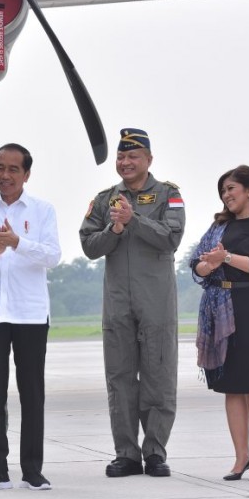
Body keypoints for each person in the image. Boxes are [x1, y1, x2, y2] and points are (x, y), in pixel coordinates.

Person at [79, 128, 185, 478]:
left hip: (155, 301)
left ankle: (154, 451)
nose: (125, 162)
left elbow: (171, 238)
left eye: (133, 156)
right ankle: (125, 453)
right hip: (117, 303)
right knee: (120, 377)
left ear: (149, 160)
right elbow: (89, 246)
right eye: (121, 157)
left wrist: (133, 220)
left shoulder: (168, 194)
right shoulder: (105, 198)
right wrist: (115, 230)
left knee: (158, 374)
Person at [0, 144, 61, 492]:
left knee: (32, 392)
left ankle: (33, 470)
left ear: (26, 174)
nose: (5, 175)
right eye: (0, 167)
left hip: (31, 312)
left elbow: (52, 256)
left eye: (13, 169)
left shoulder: (42, 210)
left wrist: (18, 242)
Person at [190, 165, 249, 482]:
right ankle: (241, 457)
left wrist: (225, 258)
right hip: (219, 307)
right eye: (223, 191)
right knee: (231, 387)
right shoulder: (219, 226)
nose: (226, 195)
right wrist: (208, 264)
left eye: (231, 188)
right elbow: (197, 265)